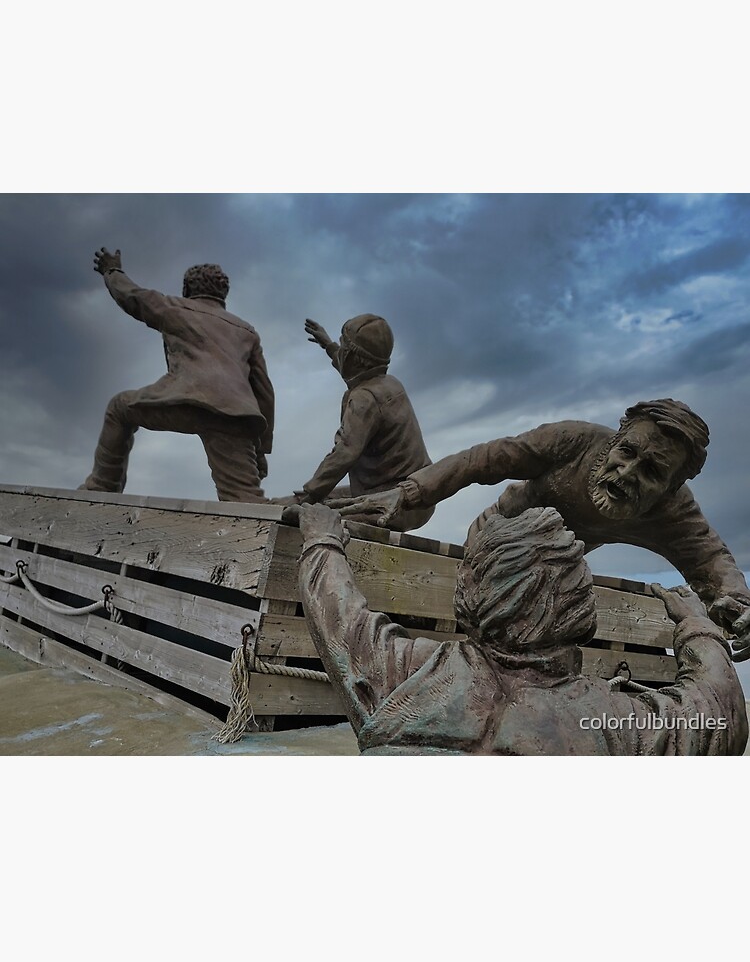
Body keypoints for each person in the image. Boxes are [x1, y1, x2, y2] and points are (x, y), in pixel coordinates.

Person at [296, 502, 748, 755]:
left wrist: (322, 539)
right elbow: (719, 711)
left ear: (470, 595)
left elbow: (339, 616)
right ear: (581, 607)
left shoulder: (410, 675)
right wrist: (695, 625)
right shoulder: (619, 723)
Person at [329, 398, 750, 658]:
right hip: (496, 534)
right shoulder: (572, 440)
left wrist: (740, 605)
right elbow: (483, 459)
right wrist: (409, 492)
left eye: (652, 470)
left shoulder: (673, 511)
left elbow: (712, 560)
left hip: (553, 570)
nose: (627, 471)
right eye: (627, 451)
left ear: (671, 487)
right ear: (616, 438)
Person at [80, 247, 275, 502]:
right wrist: (260, 448)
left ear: (187, 289)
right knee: (246, 501)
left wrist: (112, 270)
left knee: (119, 407)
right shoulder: (246, 331)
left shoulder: (176, 308)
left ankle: (102, 486)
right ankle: (302, 511)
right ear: (223, 293)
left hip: (187, 402)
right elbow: (264, 393)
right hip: (233, 415)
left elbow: (132, 296)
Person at [287, 315, 433, 531]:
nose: (341, 353)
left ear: (355, 358)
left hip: (395, 504)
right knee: (315, 500)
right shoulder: (388, 383)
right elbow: (353, 368)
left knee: (314, 516)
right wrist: (328, 344)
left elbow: (344, 453)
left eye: (344, 348)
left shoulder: (365, 398)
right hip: (418, 497)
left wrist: (309, 497)